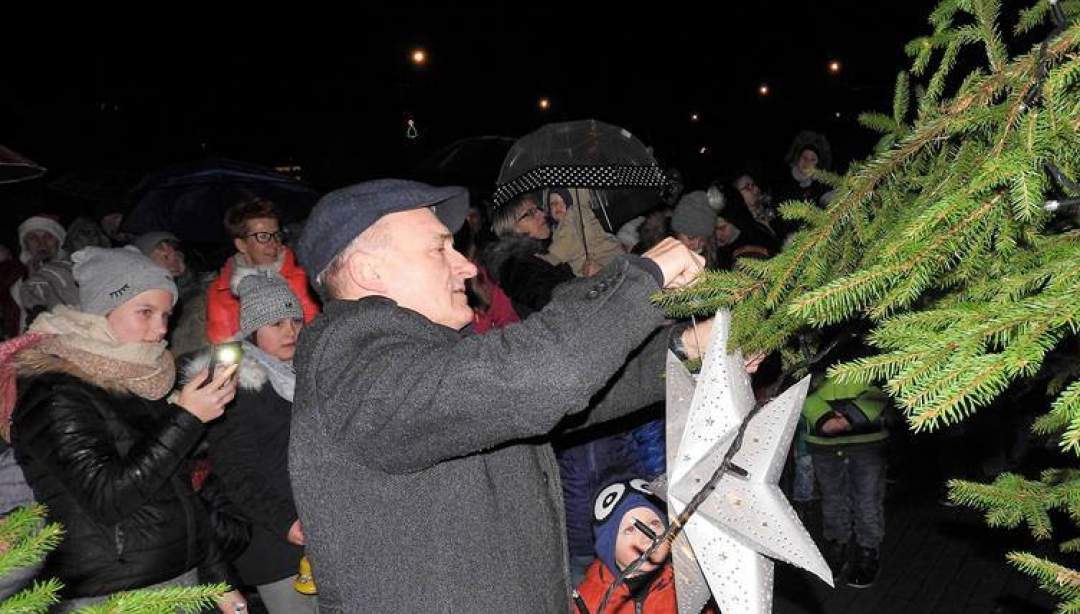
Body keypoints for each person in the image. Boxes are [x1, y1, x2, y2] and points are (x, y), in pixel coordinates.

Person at [288, 179, 741, 613]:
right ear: (370, 270)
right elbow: (543, 375)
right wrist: (641, 278)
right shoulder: (347, 355)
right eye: (438, 248)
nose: (466, 266)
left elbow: (560, 402)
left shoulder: (420, 356)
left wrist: (685, 348)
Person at [4, 246, 244, 612]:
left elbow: (179, 494)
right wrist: (187, 419)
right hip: (113, 596)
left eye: (166, 314)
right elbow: (108, 498)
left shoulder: (140, 382)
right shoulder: (55, 391)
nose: (161, 329)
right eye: (144, 312)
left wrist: (218, 581)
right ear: (102, 311)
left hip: (182, 583)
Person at [190, 270, 318, 614]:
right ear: (253, 329)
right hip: (276, 543)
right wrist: (283, 521)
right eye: (276, 323)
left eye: (295, 320)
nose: (290, 331)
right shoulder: (238, 385)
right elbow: (234, 470)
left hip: (322, 530)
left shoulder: (306, 374)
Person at [802, 374, 889, 588]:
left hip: (867, 437)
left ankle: (868, 551)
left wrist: (850, 418)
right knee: (832, 499)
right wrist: (821, 417)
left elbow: (888, 377)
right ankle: (836, 546)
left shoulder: (866, 342)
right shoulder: (805, 341)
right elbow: (797, 381)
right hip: (823, 440)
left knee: (867, 500)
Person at [206, 199, 319, 343]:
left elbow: (315, 332)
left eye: (276, 235)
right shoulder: (220, 291)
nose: (273, 244)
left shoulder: (303, 279)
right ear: (241, 245)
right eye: (263, 237)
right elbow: (221, 342)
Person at [573, 478, 677, 614]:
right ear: (609, 548)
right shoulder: (589, 598)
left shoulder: (684, 585)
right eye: (630, 530)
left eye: (654, 523)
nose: (647, 538)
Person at [482, 193, 576, 318]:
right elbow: (559, 303)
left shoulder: (542, 252)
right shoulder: (517, 268)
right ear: (512, 228)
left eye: (538, 209)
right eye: (530, 213)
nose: (543, 214)